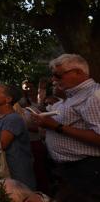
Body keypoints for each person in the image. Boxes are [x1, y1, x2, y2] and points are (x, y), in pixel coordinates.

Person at [31, 54, 100, 194]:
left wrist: (56, 127)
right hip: (72, 170)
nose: (53, 79)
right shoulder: (74, 96)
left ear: (78, 72)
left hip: (88, 169)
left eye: (58, 75)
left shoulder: (93, 95)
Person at [0, 83, 36, 188]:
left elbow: (2, 144)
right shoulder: (2, 118)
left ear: (8, 99)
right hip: (9, 168)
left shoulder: (13, 119)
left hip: (18, 169)